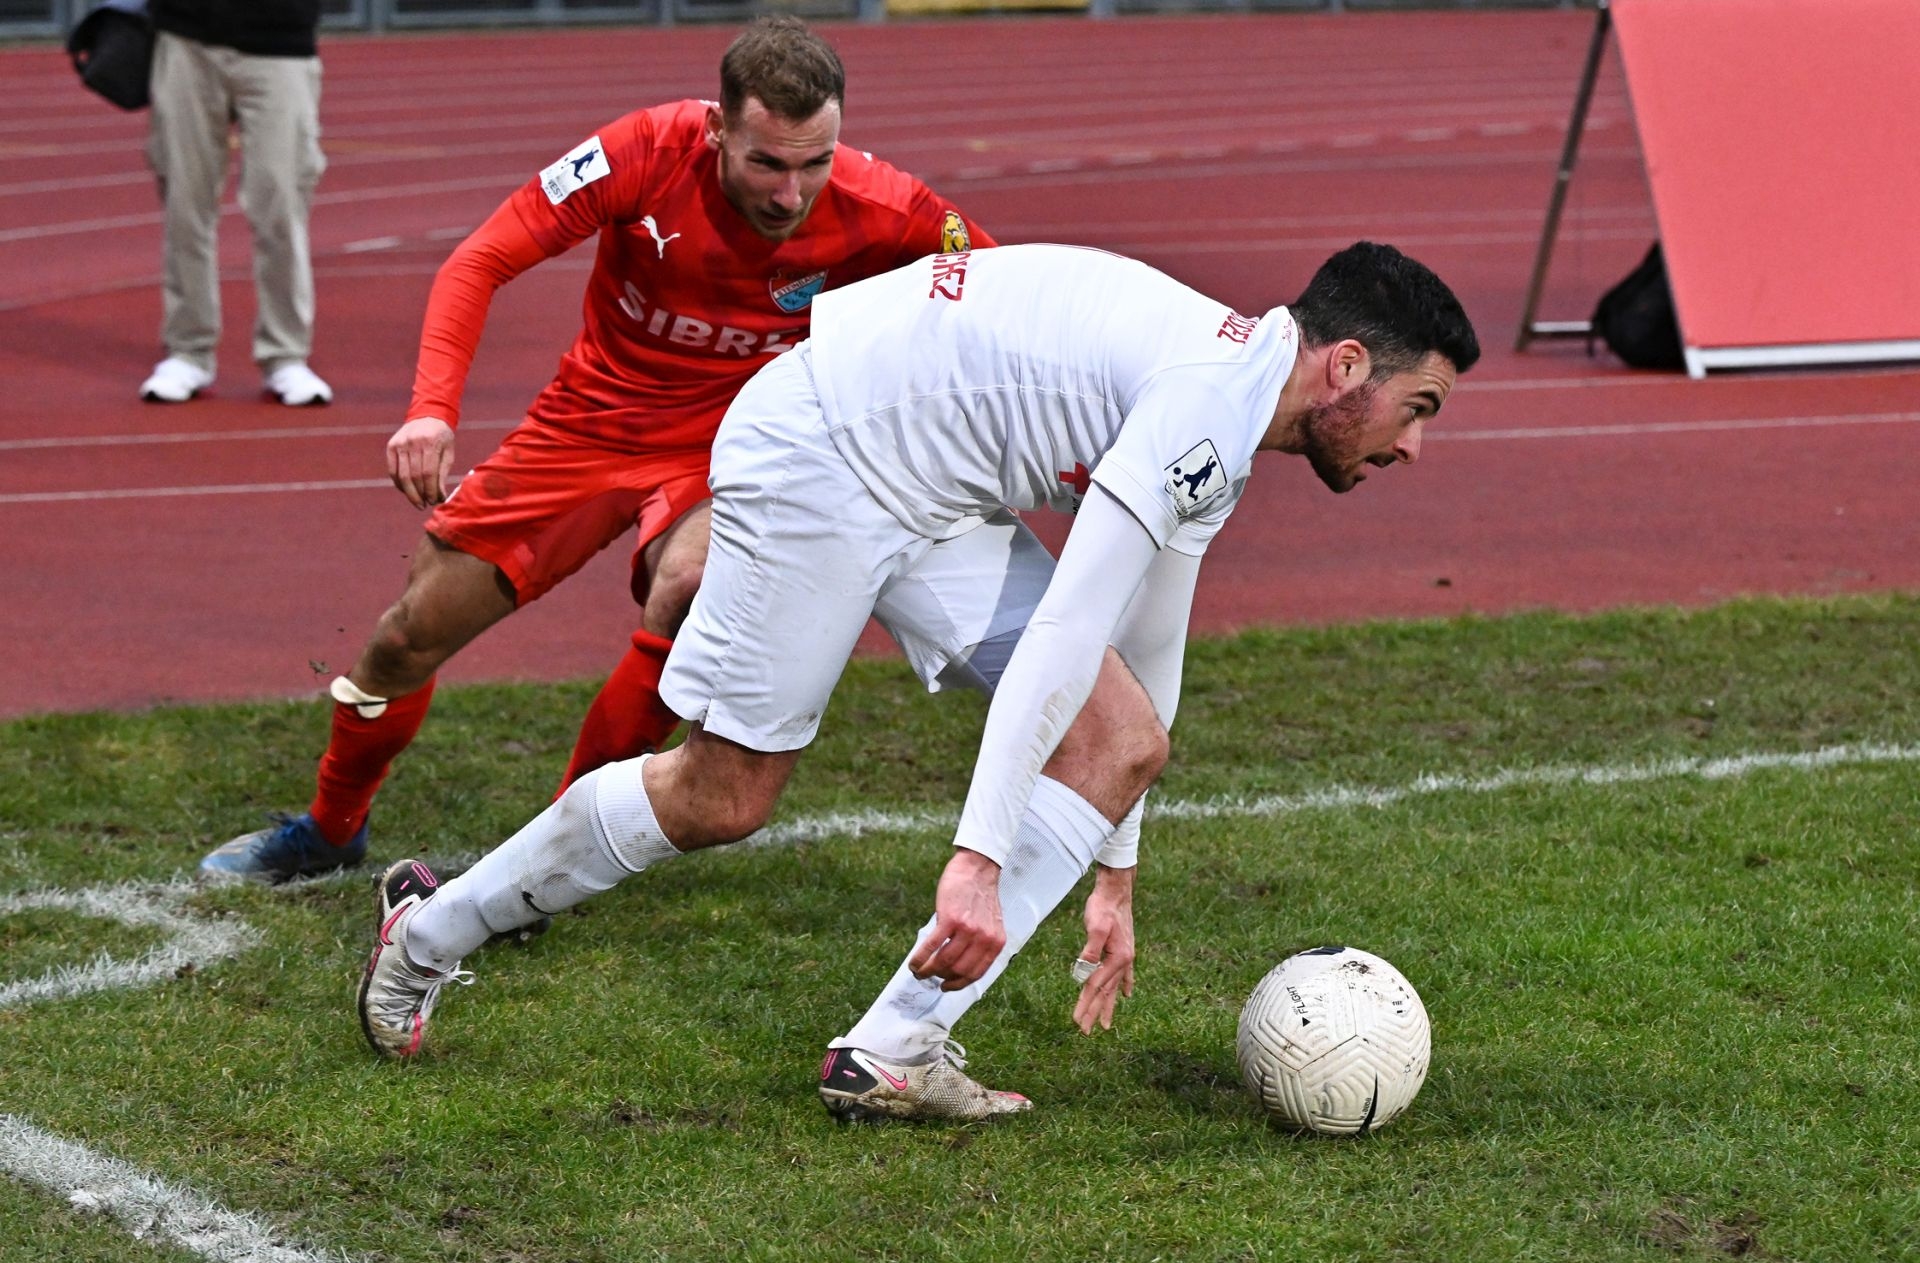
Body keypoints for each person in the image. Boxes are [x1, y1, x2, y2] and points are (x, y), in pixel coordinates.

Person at [354, 240, 1481, 1121]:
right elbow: (1063, 636)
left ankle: (890, 1051)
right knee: (720, 795)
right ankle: (427, 933)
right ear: (1345, 368)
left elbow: (1146, 647)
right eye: (1414, 408)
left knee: (1124, 735)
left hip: (930, 490)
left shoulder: (1239, 409)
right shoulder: (1208, 396)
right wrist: (977, 861)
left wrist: (1116, 875)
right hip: (828, 451)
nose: (1411, 448)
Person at [199, 17, 992, 883]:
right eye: (767, 163)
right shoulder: (640, 151)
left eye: (815, 162)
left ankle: (550, 861)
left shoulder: (889, 205)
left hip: (735, 444)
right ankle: (330, 828)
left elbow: (1007, 297)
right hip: (587, 425)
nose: (790, 193)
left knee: (685, 586)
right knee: (403, 641)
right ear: (717, 127)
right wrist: (431, 411)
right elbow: (480, 259)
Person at [139, 0, 332, 407]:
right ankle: (188, 350)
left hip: (281, 42)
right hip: (186, 37)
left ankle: (286, 354)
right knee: (185, 205)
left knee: (281, 206)